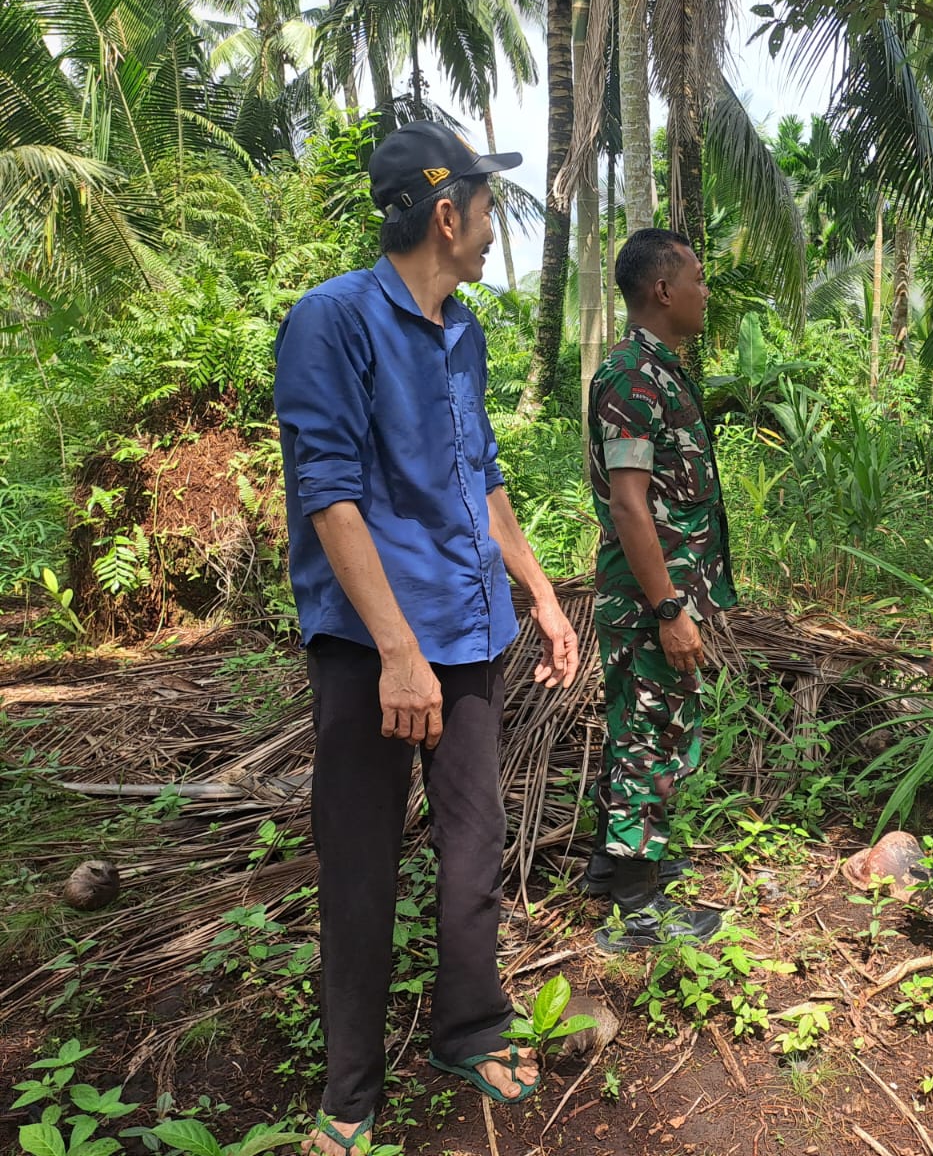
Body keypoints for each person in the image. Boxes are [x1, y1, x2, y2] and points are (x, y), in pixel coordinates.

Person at [274, 120, 580, 1155]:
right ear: (446, 215)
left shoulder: (466, 329)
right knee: (359, 862)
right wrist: (398, 651)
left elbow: (478, 474)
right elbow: (330, 495)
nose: (497, 229)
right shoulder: (331, 323)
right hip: (372, 649)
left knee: (472, 843)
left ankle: (468, 1027)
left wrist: (535, 588)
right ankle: (350, 1095)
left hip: (469, 629)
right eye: (490, 209)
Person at [583, 228, 734, 952]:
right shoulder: (633, 378)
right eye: (698, 279)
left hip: (659, 595)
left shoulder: (661, 372)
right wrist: (669, 608)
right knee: (650, 734)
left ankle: (616, 867)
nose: (707, 291)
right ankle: (640, 912)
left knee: (641, 727)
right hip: (649, 600)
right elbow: (628, 503)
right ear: (662, 290)